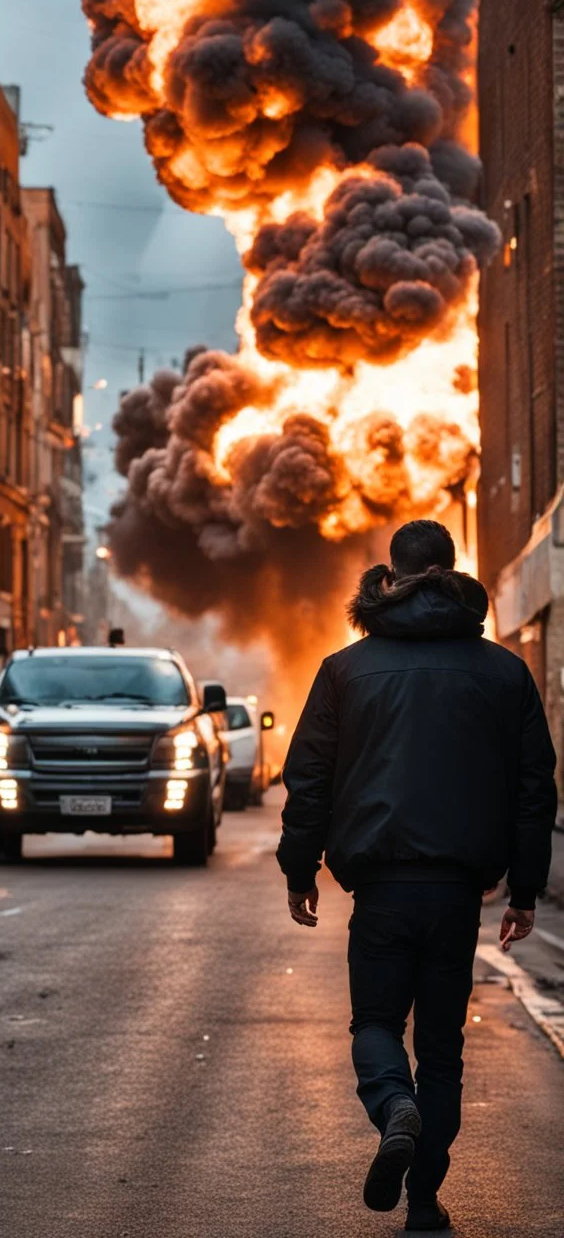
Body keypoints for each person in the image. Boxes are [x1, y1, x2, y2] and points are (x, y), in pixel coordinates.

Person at [277, 520, 557, 1232]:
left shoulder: (346, 669)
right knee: (442, 1047)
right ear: (452, 571)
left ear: (391, 576)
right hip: (458, 890)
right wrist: (525, 889)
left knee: (375, 1021)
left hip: (379, 888)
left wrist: (300, 868)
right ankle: (424, 1202)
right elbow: (534, 789)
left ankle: (392, 1106)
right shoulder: (503, 671)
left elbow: (308, 779)